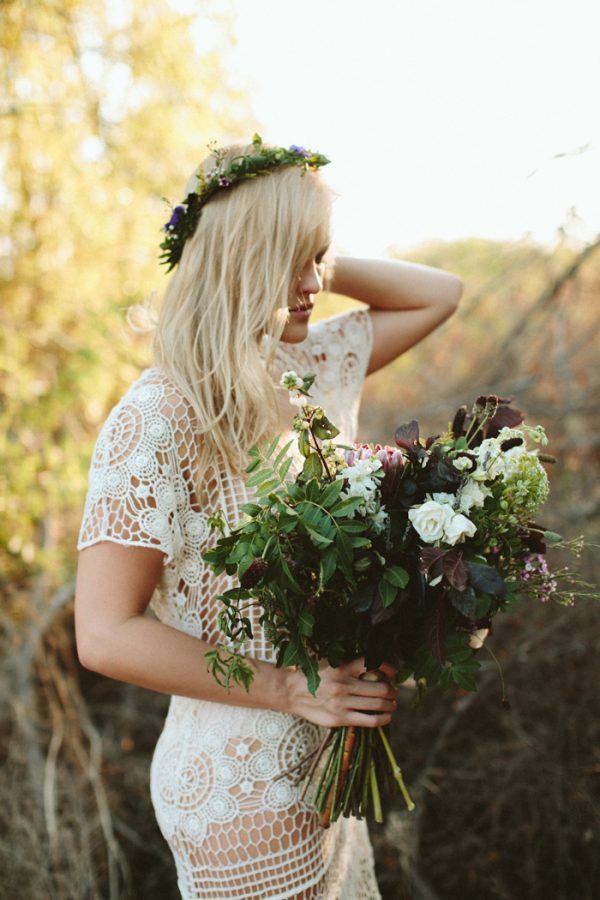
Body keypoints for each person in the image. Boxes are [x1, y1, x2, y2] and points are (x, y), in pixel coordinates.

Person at [75, 136, 463, 900]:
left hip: (327, 763)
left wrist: (305, 241)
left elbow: (438, 292)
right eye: (297, 259)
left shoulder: (308, 365)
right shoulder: (155, 416)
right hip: (237, 785)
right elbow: (104, 632)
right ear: (243, 256)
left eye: (320, 258)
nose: (318, 281)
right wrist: (289, 688)